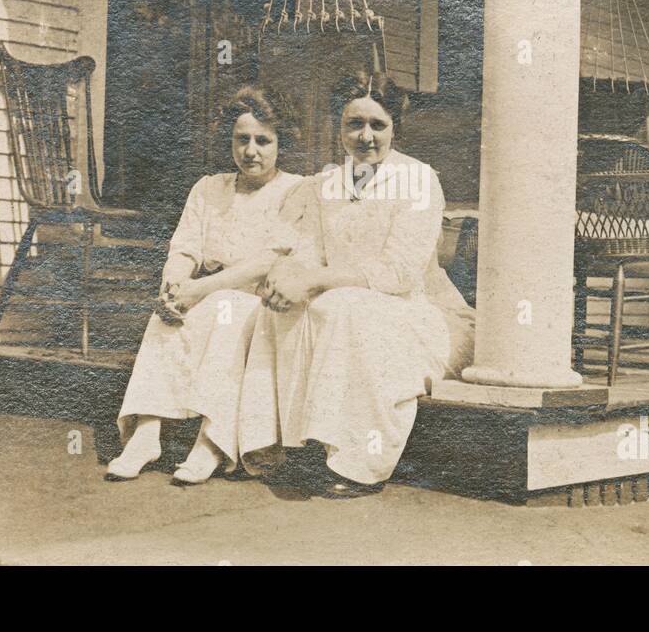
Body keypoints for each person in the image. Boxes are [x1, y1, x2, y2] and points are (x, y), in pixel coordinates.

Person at [238, 72, 475, 498]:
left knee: (344, 306)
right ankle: (284, 444)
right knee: (282, 306)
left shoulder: (419, 179)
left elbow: (400, 272)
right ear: (339, 128)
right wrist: (289, 277)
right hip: (341, 299)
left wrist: (315, 281)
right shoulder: (327, 182)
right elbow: (308, 249)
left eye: (377, 125)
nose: (365, 137)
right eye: (354, 125)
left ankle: (358, 463)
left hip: (414, 312)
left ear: (394, 128)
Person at [107, 85, 302, 483]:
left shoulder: (295, 190)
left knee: (228, 311)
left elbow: (268, 262)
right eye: (241, 139)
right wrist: (175, 285)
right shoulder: (209, 188)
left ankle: (211, 443)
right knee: (166, 315)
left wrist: (200, 290)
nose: (251, 151)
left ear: (281, 143)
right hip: (208, 291)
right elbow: (184, 247)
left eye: (263, 141)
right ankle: (146, 433)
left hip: (260, 299)